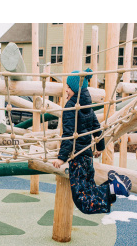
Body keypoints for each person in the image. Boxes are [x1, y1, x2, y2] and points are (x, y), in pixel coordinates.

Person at [52, 68, 132, 214]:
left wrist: (61, 158)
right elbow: (96, 128)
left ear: (75, 89)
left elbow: (69, 135)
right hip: (87, 157)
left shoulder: (71, 107)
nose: (66, 91)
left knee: (83, 201)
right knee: (90, 191)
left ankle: (112, 186)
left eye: (68, 88)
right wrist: (100, 147)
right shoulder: (87, 105)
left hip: (78, 158)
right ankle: (113, 186)